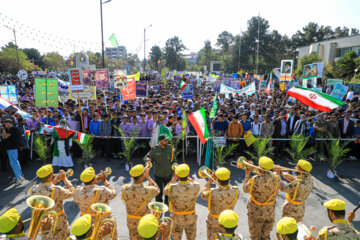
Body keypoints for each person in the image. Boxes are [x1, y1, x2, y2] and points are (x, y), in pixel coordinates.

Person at [30, 164, 75, 240]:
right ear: (50, 176)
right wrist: (65, 179)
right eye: (53, 174)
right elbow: (73, 192)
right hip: (59, 221)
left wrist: (51, 183)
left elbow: (45, 190)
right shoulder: (57, 189)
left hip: (44, 221)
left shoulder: (33, 189)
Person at [74, 167, 118, 240]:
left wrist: (92, 183)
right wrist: (105, 181)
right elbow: (113, 193)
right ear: (94, 179)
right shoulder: (102, 190)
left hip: (86, 224)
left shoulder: (77, 191)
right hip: (103, 222)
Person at [243, 156, 280, 240]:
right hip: (269, 211)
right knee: (265, 236)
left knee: (255, 236)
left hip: (256, 211)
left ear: (262, 169)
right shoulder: (276, 177)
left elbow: (245, 189)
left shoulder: (255, 179)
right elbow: (266, 178)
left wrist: (247, 174)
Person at [121, 164, 160, 240]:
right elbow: (157, 189)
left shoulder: (124, 188)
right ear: (142, 176)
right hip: (145, 223)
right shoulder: (149, 190)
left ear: (132, 177)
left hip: (131, 222)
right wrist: (148, 176)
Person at [201, 167, 239, 240]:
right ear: (229, 178)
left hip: (214, 222)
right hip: (227, 221)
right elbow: (228, 188)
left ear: (217, 180)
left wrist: (209, 182)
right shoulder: (236, 191)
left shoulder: (212, 192)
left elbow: (203, 195)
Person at [164, 164, 200, 240]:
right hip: (190, 218)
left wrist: (173, 179)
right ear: (188, 174)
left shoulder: (172, 188)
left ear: (177, 175)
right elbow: (194, 182)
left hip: (177, 218)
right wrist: (189, 179)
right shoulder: (196, 186)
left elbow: (165, 190)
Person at [144, 134, 176, 204]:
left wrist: (175, 170)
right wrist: (147, 160)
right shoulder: (154, 149)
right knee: (158, 191)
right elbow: (146, 157)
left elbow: (174, 161)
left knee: (168, 190)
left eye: (167, 140)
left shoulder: (170, 149)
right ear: (160, 141)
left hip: (168, 173)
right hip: (158, 174)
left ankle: (167, 203)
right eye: (165, 140)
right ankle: (158, 204)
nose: (167, 141)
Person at [1, 119, 24, 184]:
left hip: (12, 148)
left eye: (4, 123)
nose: (4, 125)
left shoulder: (13, 129)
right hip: (10, 148)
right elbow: (3, 136)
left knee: (14, 163)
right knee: (15, 162)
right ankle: (20, 176)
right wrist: (3, 130)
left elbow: (5, 137)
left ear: (8, 123)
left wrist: (3, 129)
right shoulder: (8, 129)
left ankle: (19, 178)